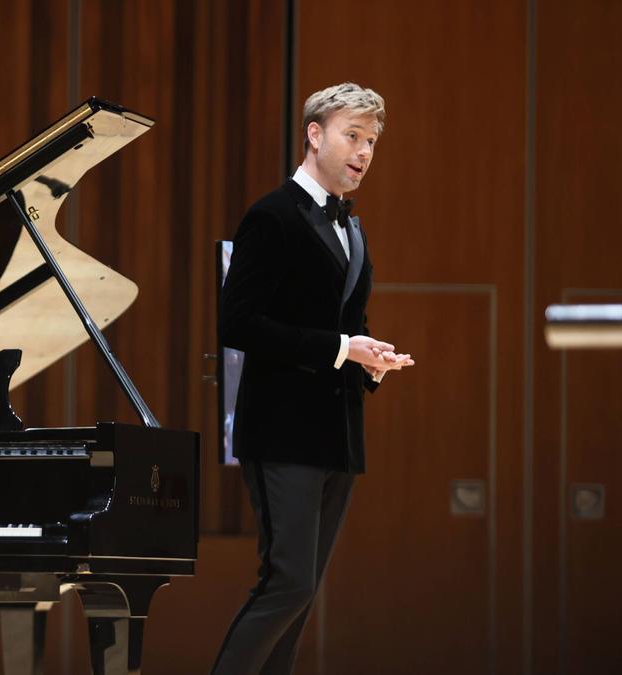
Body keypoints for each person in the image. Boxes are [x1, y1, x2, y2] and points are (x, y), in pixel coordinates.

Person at [212, 83, 414, 674]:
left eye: (372, 141)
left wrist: (368, 357)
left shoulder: (354, 228)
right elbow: (237, 322)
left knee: (300, 598)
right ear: (315, 134)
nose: (364, 152)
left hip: (337, 436)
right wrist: (341, 348)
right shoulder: (271, 216)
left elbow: (346, 323)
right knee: (288, 584)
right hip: (283, 433)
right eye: (353, 136)